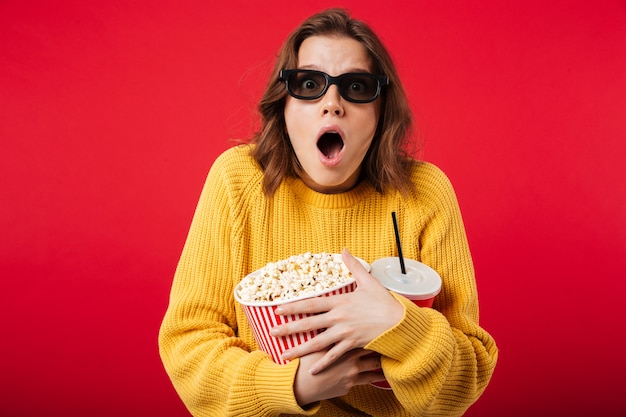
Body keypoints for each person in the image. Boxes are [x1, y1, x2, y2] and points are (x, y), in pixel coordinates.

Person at [158, 8, 498, 417]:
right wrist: (296, 385)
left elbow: (464, 382)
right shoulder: (237, 182)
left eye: (356, 86)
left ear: (380, 112)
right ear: (283, 105)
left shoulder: (424, 195)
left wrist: (399, 325)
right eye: (309, 84)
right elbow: (187, 347)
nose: (332, 104)